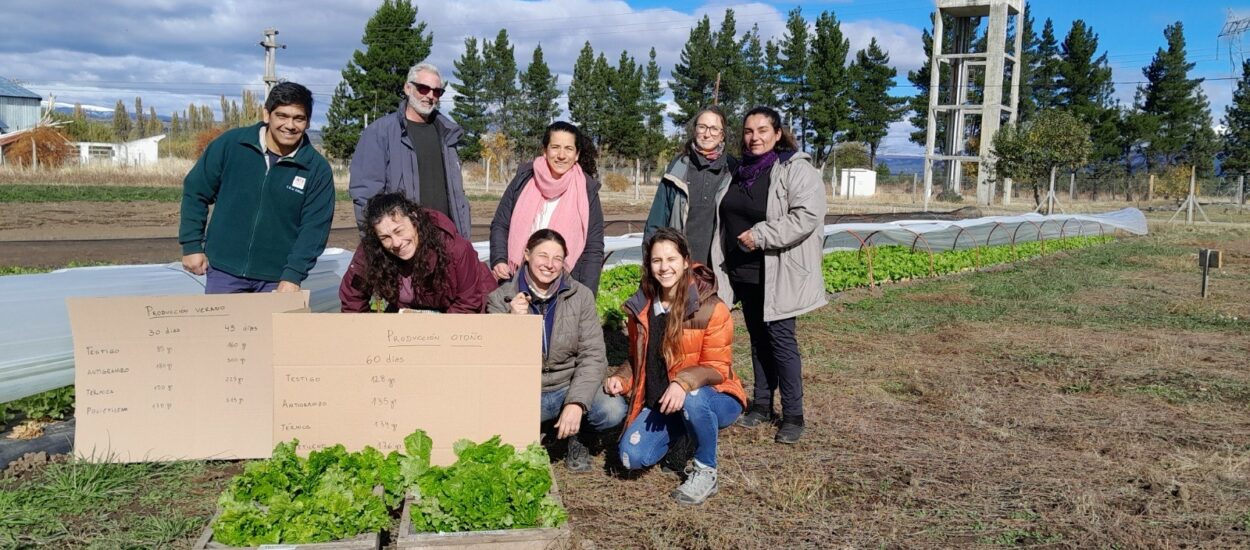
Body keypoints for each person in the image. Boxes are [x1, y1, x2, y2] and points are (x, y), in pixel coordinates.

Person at [604, 228, 745, 505]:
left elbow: (718, 366)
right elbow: (638, 359)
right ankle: (684, 433)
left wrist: (683, 382)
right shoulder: (642, 308)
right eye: (657, 261)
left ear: (685, 261)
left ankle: (706, 470)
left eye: (671, 259)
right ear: (648, 264)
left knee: (692, 400)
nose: (664, 267)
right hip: (665, 402)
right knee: (630, 459)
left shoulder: (710, 308)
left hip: (716, 396)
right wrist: (622, 379)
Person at [712, 106, 827, 444]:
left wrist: (761, 235)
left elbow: (807, 215)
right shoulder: (739, 170)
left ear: (778, 134)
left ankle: (793, 414)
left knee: (780, 340)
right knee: (758, 338)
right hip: (744, 271)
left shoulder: (795, 170)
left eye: (763, 130)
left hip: (777, 270)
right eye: (749, 131)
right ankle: (762, 404)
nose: (755, 137)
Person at [486, 229, 626, 472]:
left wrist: (576, 402)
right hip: (525, 392)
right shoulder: (501, 299)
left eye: (557, 259)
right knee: (490, 424)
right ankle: (542, 430)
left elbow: (593, 355)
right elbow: (491, 360)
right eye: (543, 256)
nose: (549, 265)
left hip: (566, 386)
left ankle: (579, 436)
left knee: (612, 409)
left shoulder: (580, 296)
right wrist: (510, 325)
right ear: (527, 254)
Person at [179, 82, 334, 294]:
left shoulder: (316, 168)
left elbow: (315, 229)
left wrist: (293, 275)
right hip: (225, 271)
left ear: (307, 122)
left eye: (298, 118)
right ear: (267, 115)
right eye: (282, 116)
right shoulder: (232, 145)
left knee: (273, 329)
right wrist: (192, 245)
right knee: (223, 328)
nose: (290, 125)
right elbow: (196, 191)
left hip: (277, 280)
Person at [349, 62, 472, 239]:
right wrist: (379, 242)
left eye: (437, 91)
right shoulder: (380, 132)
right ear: (408, 88)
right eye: (423, 88)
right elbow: (365, 196)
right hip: (403, 244)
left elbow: (457, 195)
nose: (430, 96)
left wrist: (463, 239)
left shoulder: (447, 134)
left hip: (445, 240)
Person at [489, 121, 604, 295]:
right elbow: (500, 224)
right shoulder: (524, 180)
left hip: (565, 284)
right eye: (555, 147)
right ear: (545, 150)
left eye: (568, 148)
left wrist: (586, 295)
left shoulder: (587, 191)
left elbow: (593, 248)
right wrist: (499, 259)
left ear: (577, 154)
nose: (561, 155)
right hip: (518, 280)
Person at [339, 193, 494, 313]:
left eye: (399, 231)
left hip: (467, 310)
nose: (396, 243)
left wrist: (433, 336)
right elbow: (352, 299)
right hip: (410, 315)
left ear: (414, 219)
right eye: (385, 237)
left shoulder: (455, 248)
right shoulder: (370, 252)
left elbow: (468, 303)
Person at [644, 106, 736, 266]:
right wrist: (650, 263)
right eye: (702, 127)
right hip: (679, 266)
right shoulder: (678, 168)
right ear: (694, 130)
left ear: (722, 135)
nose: (707, 134)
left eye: (714, 129)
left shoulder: (734, 169)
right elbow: (656, 221)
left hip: (720, 268)